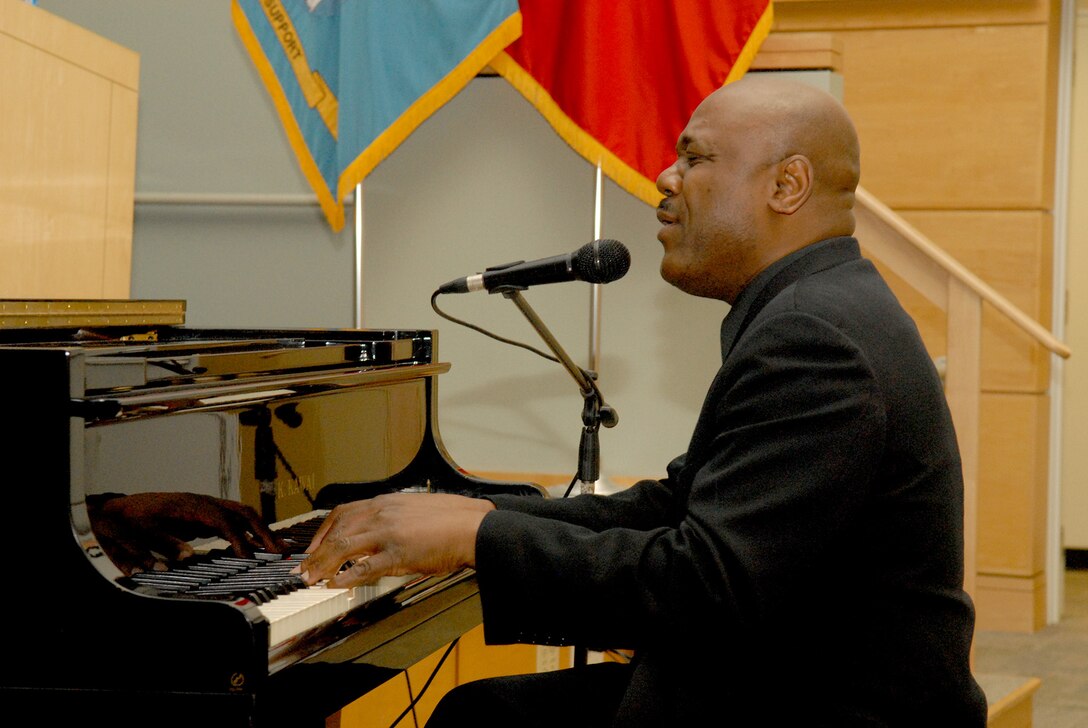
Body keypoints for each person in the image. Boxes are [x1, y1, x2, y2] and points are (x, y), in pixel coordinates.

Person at [296, 75, 989, 726]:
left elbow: (706, 586)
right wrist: (479, 513)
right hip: (794, 677)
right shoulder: (821, 307)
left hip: (829, 704)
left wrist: (471, 538)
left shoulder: (813, 338)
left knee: (483, 719)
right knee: (485, 713)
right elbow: (675, 507)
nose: (664, 178)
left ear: (787, 184)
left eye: (694, 159)